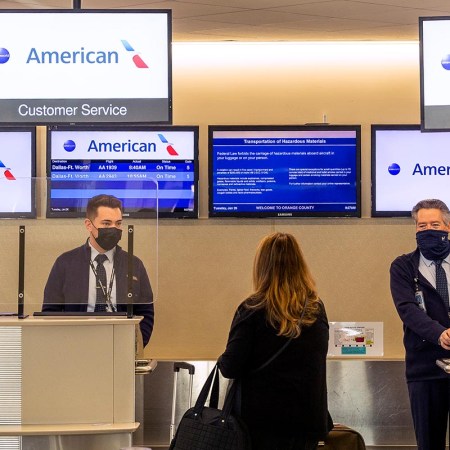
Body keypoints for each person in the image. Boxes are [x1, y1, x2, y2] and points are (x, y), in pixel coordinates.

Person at [218, 232, 332, 450]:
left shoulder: (252, 309)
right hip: (305, 423)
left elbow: (231, 367)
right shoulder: (316, 309)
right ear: (299, 264)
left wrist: (222, 360)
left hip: (259, 425)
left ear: (262, 266)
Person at [42, 194, 154, 346]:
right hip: (76, 344)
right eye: (107, 224)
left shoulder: (134, 264)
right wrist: (64, 345)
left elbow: (146, 312)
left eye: (118, 224)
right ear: (89, 225)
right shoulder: (65, 263)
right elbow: (50, 311)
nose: (114, 229)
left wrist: (134, 346)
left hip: (120, 344)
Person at [390, 198, 450, 450]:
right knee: (428, 443)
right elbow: (408, 310)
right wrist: (440, 334)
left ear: (448, 228)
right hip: (424, 371)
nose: (428, 230)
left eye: (434, 224)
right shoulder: (403, 267)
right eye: (421, 226)